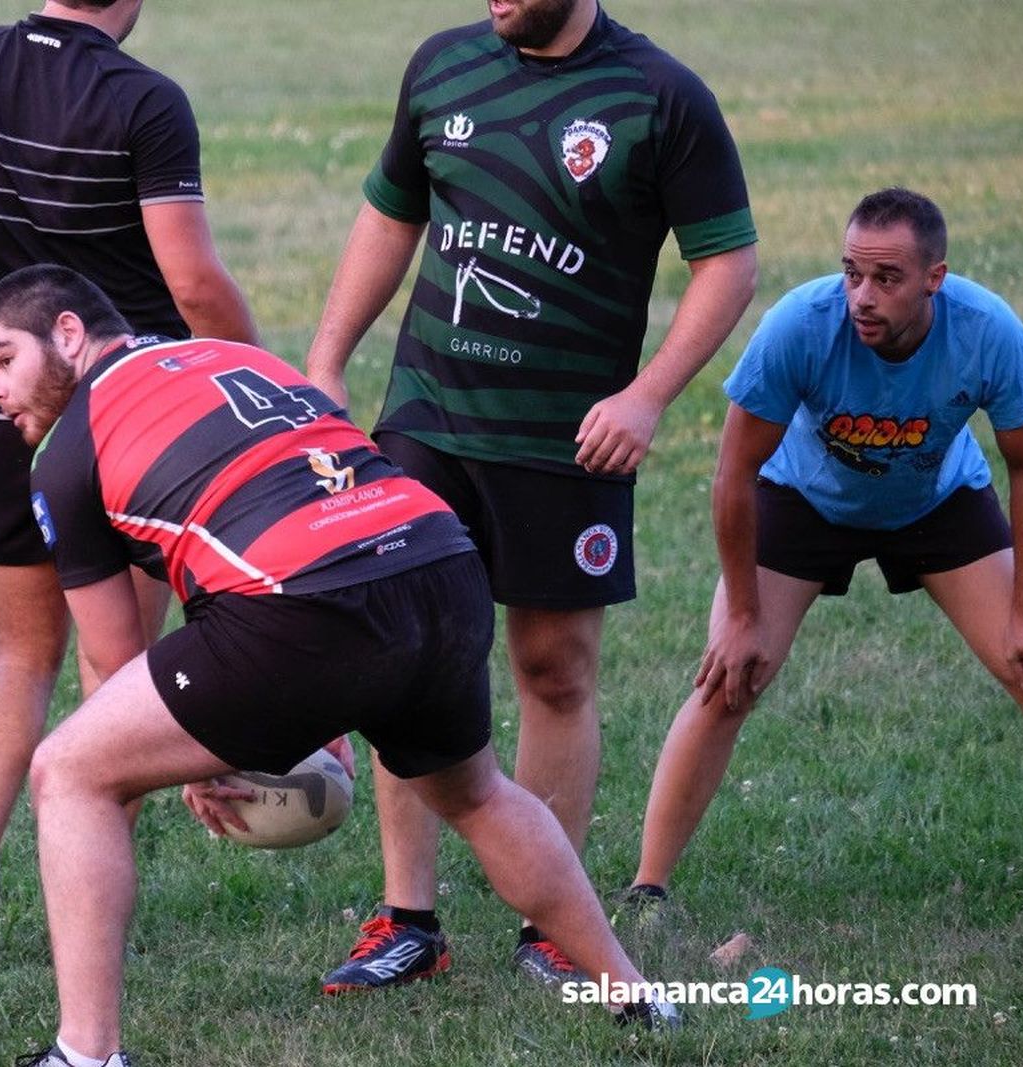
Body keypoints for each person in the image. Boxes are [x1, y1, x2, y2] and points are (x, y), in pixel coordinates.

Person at [0, 264, 676, 1067]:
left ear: (68, 333)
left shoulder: (67, 455)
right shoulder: (238, 358)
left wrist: (193, 757)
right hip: (439, 564)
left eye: (2, 359)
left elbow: (114, 659)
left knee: (68, 770)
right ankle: (634, 992)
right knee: (476, 793)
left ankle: (86, 1055)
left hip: (305, 609)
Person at [302, 0, 760, 991]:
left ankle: (547, 925)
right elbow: (392, 213)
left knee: (553, 668)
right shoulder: (442, 67)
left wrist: (645, 396)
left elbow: (727, 261)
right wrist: (328, 358)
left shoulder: (661, 98)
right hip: (427, 416)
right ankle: (406, 919)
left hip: (566, 441)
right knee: (405, 645)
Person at [0, 0, 256, 958]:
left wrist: (1, 243)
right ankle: (83, 904)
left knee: (18, 653)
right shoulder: (144, 101)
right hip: (127, 421)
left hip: (1, 412)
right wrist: (257, 375)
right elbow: (197, 284)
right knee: (116, 665)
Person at [620, 188, 1023, 907]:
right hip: (803, 499)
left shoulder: (987, 332)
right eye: (852, 273)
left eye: (887, 279)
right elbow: (734, 473)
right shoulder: (800, 326)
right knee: (729, 675)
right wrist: (744, 612)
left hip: (937, 499)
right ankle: (646, 887)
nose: (862, 297)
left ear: (935, 279)